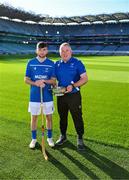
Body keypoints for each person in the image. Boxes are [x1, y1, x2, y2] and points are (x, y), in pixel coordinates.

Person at [55, 42, 88, 150]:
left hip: (74, 95)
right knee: (62, 116)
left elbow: (85, 78)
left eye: (66, 50)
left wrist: (73, 85)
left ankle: (80, 138)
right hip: (60, 94)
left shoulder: (77, 62)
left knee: (77, 116)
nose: (64, 53)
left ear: (71, 51)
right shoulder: (57, 64)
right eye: (62, 51)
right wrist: (53, 85)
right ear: (59, 52)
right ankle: (63, 136)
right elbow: (53, 79)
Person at [24, 42, 56, 149]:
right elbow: (26, 79)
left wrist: (44, 81)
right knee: (34, 118)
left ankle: (49, 137)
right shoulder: (30, 62)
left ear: (47, 51)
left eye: (44, 49)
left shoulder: (51, 63)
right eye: (40, 49)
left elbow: (53, 80)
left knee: (49, 117)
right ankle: (33, 139)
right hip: (34, 96)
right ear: (36, 50)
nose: (42, 52)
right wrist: (36, 83)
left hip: (47, 95)